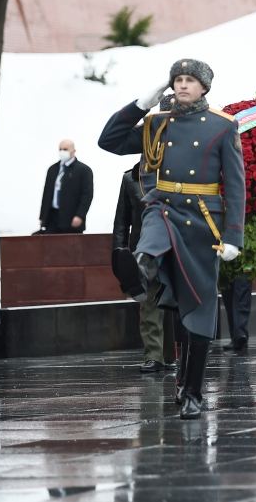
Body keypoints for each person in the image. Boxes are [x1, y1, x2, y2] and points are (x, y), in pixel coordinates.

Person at [98, 59, 245, 419]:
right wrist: (139, 104)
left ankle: (193, 390)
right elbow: (110, 141)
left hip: (202, 220)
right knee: (151, 236)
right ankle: (140, 269)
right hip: (163, 207)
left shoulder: (222, 126)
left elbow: (236, 185)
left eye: (189, 81)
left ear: (204, 88)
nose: (182, 86)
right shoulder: (156, 122)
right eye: (177, 80)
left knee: (196, 308)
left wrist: (233, 237)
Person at [114, 161, 174, 373]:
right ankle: (154, 356)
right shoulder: (130, 178)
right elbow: (121, 221)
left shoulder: (175, 169)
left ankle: (169, 356)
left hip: (173, 246)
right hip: (143, 249)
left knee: (170, 302)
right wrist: (118, 253)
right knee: (149, 303)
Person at [38, 139, 94, 233]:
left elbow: (87, 195)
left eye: (65, 149)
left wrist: (80, 215)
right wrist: (42, 217)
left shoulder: (84, 170)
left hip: (72, 218)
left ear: (73, 151)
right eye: (60, 149)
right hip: (52, 218)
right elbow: (46, 194)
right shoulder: (52, 169)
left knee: (70, 246)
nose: (62, 152)